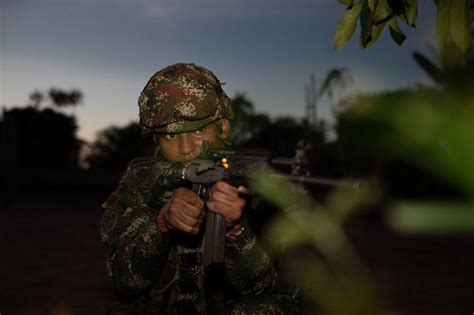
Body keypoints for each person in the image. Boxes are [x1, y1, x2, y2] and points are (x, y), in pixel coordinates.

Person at [100, 63, 301, 314]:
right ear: (155, 138)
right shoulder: (143, 181)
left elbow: (258, 288)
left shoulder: (252, 185)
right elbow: (124, 283)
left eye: (196, 131)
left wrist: (236, 230)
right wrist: (161, 225)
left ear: (222, 127)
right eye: (170, 136)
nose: (186, 149)